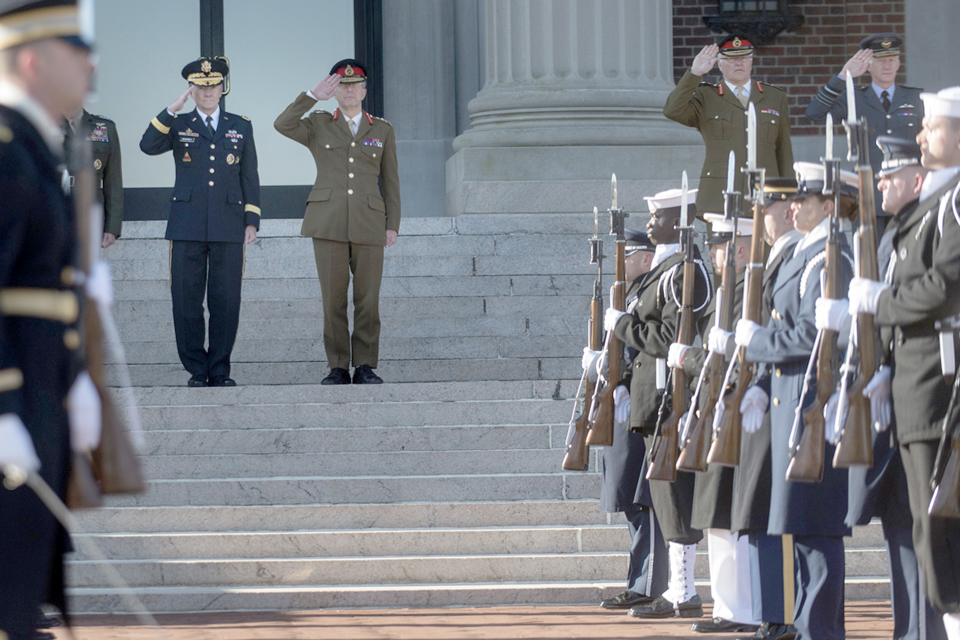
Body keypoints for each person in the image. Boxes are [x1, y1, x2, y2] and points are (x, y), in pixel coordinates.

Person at [815, 136, 946, 640]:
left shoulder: (934, 225)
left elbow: (930, 302)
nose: (882, 184)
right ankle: (912, 632)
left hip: (927, 394)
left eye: (891, 177)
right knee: (901, 529)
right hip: (892, 399)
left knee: (928, 530)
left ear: (916, 180)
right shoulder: (892, 236)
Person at [718, 162, 856, 640]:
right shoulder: (807, 254)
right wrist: (759, 386)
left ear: (829, 206)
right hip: (788, 401)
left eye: (805, 200)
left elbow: (814, 334)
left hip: (811, 408)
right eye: (793, 200)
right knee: (801, 535)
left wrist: (756, 344)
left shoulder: (830, 258)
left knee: (817, 535)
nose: (793, 207)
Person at [0, 1, 101, 636]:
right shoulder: (6, 151)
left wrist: (75, 376)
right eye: (78, 52)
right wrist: (4, 404)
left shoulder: (37, 148)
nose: (92, 65)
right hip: (15, 402)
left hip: (41, 397)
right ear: (33, 61)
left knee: (23, 597)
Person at [844, 87, 960, 639]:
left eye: (931, 128)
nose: (920, 136)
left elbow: (946, 285)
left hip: (940, 390)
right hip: (919, 389)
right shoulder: (937, 205)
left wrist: (878, 303)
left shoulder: (954, 201)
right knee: (930, 530)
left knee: (943, 530)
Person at [604, 188, 713, 619]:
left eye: (659, 217)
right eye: (650, 217)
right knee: (665, 496)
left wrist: (623, 325)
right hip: (655, 396)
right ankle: (679, 589)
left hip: (674, 396)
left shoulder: (682, 271)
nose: (650, 224)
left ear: (680, 222)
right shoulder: (665, 270)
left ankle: (684, 590)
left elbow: (669, 340)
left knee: (673, 495)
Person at [274, 59, 400, 385]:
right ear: (336, 91)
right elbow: (282, 124)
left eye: (355, 85)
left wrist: (392, 223)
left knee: (368, 299)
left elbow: (391, 181)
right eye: (343, 86)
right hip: (327, 220)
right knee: (333, 300)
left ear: (364, 90)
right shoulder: (319, 123)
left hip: (369, 221)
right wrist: (311, 96)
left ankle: (366, 365)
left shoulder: (382, 129)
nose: (349, 91)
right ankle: (339, 366)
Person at [140, 57, 261, 388]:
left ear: (223, 88)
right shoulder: (178, 124)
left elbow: (249, 175)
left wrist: (252, 219)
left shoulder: (241, 124)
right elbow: (147, 145)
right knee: (186, 300)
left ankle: (220, 370)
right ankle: (196, 368)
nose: (208, 91)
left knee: (225, 301)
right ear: (191, 90)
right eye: (200, 86)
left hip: (229, 222)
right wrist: (171, 108)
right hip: (187, 224)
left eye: (213, 85)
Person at [668, 213, 759, 635]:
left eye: (720, 247)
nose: (713, 254)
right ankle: (731, 606)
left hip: (732, 411)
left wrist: (689, 358)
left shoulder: (742, 293)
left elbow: (728, 358)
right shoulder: (729, 290)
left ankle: (738, 607)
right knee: (719, 514)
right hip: (716, 411)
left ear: (740, 249)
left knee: (728, 513)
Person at [729, 178, 802, 640]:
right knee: (759, 506)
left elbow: (790, 326)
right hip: (767, 391)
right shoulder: (776, 254)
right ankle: (771, 610)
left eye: (768, 208)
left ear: (790, 209)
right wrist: (753, 382)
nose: (762, 216)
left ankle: (785, 612)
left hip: (789, 396)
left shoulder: (797, 254)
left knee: (781, 512)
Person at [583, 231, 668, 613]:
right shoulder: (631, 293)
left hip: (637, 402)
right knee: (629, 499)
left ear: (646, 258)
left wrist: (620, 376)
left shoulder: (648, 291)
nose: (625, 261)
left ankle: (649, 584)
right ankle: (637, 581)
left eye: (630, 254)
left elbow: (643, 345)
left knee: (642, 499)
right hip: (620, 403)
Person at [804, 33, 924, 236]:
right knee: (870, 260)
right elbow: (815, 114)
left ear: (898, 63)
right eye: (880, 61)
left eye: (891, 60)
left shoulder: (915, 98)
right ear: (868, 65)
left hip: (908, 195)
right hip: (869, 195)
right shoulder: (854, 98)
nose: (887, 66)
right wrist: (842, 77)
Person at [663, 35, 793, 217]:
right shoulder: (706, 96)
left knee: (764, 246)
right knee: (722, 246)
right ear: (719, 64)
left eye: (744, 58)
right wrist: (694, 74)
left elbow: (784, 151)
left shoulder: (774, 97)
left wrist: (789, 196)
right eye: (731, 59)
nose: (739, 63)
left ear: (751, 63)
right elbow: (672, 110)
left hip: (766, 196)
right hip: (719, 196)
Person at [64, 107, 123, 248]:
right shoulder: (45, 125)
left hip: (90, 215)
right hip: (54, 213)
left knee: (88, 266)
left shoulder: (105, 127)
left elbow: (113, 181)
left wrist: (112, 227)